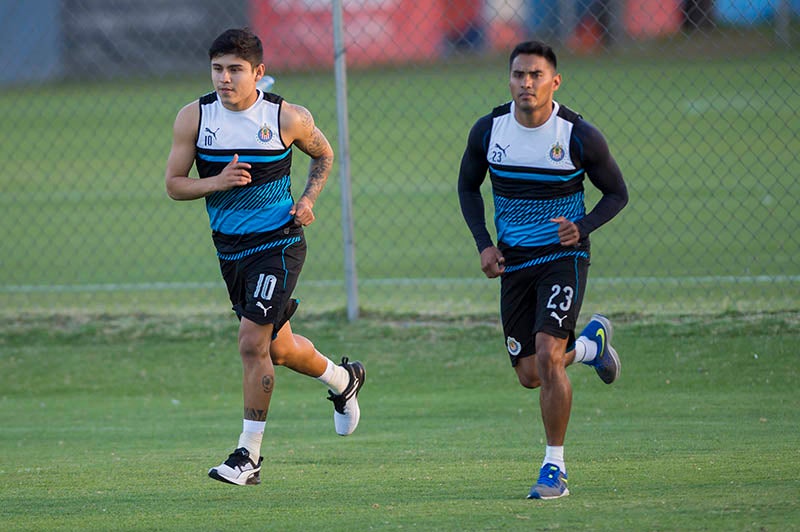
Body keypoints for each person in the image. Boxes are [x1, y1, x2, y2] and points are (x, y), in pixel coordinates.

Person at [165, 28, 365, 486]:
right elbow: (174, 184)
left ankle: (247, 456)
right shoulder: (194, 117)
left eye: (235, 70)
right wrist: (216, 181)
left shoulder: (286, 118)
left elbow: (324, 154)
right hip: (230, 252)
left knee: (252, 344)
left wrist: (309, 199)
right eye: (217, 69)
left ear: (258, 72)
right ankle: (342, 379)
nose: (224, 78)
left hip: (278, 245)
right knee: (280, 347)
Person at [457, 40, 628, 500]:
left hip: (562, 259)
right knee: (531, 372)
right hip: (514, 262)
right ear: (509, 79)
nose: (525, 83)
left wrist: (582, 227)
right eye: (518, 75)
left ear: (555, 81)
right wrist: (484, 245)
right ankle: (590, 348)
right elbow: (468, 187)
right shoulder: (489, 130)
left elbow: (617, 193)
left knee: (550, 356)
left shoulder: (577, 135)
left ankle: (555, 469)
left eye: (535, 75)